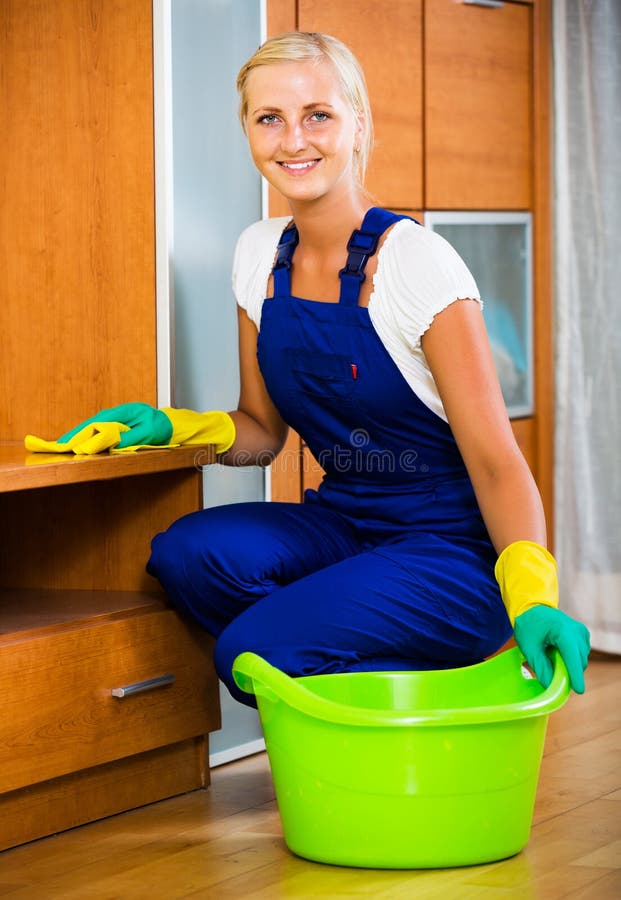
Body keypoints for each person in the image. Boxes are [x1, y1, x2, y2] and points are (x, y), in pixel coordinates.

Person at [44, 32, 590, 707]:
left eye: (318, 115)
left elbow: (497, 464)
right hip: (345, 526)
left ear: (359, 124)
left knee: (251, 653)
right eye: (268, 118)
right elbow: (260, 430)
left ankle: (438, 688)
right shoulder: (256, 255)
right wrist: (169, 426)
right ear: (247, 130)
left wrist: (531, 595)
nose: (292, 139)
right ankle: (361, 670)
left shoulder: (417, 265)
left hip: (449, 555)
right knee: (185, 555)